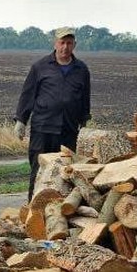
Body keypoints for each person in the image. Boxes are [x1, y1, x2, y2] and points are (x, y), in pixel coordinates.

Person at [15, 27, 91, 199]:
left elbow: (85, 98)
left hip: (68, 130)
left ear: (74, 45)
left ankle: (62, 212)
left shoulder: (81, 69)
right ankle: (33, 209)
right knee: (39, 170)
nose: (65, 47)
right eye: (62, 42)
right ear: (55, 43)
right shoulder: (40, 67)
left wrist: (84, 121)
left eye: (69, 43)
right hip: (43, 129)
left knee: (65, 172)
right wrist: (21, 120)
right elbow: (28, 95)